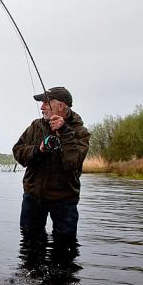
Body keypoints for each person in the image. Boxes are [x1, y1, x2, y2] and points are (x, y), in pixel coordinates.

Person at [12, 86, 90, 240]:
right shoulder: (35, 126)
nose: (41, 107)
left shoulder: (80, 132)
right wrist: (38, 150)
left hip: (65, 200)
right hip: (33, 198)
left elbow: (72, 163)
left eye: (46, 103)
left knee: (65, 249)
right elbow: (18, 151)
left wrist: (64, 132)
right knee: (29, 248)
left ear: (61, 106)